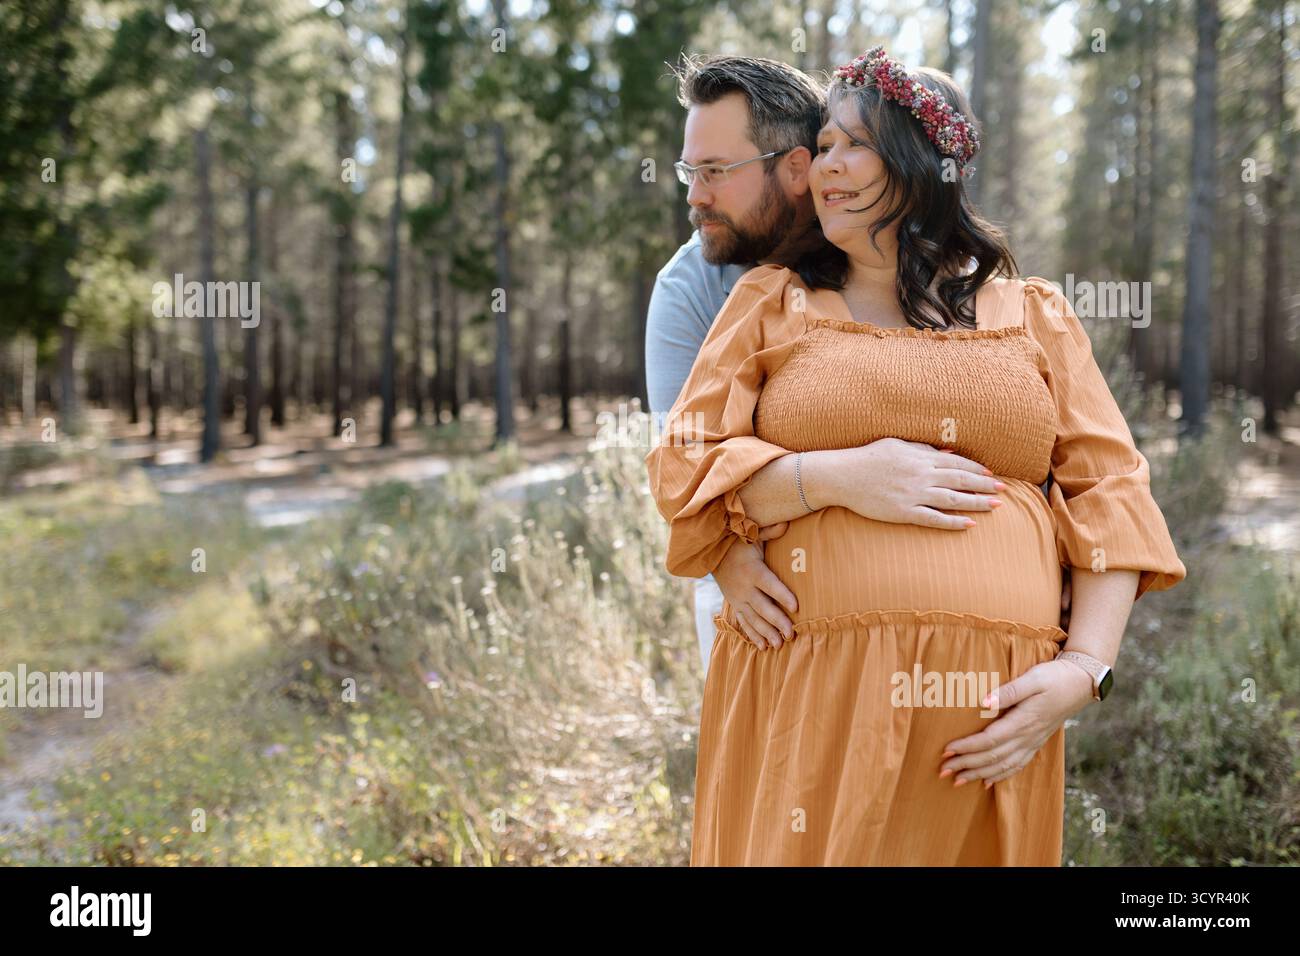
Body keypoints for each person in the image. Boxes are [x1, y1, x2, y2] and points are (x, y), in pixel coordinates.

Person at [644, 46, 1186, 866]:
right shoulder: (770, 301)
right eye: (821, 146)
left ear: (924, 161)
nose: (825, 165)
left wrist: (1084, 671)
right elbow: (685, 461)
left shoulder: (1032, 314)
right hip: (811, 701)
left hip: (989, 726)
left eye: (851, 143)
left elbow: (1110, 490)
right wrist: (842, 480)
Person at [645, 54, 1056, 675]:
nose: (695, 197)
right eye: (687, 172)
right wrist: (731, 556)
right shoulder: (697, 288)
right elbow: (684, 464)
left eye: (715, 171)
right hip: (765, 599)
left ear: (794, 167)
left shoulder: (916, 258)